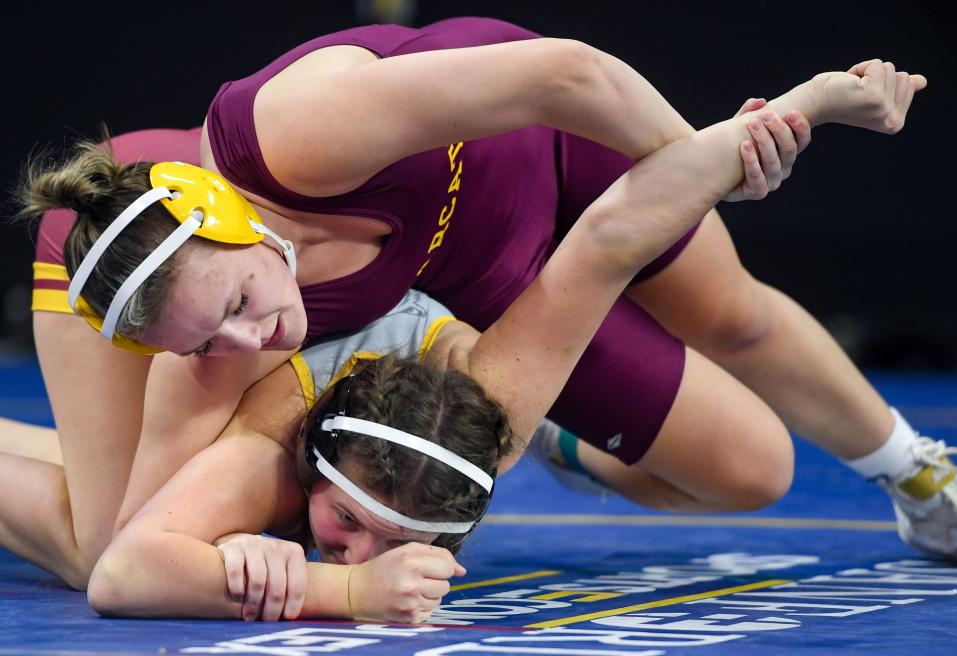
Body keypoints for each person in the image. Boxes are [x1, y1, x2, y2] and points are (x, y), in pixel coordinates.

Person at [8, 17, 943, 601]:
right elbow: (132, 563)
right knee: (111, 546)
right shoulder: (206, 338)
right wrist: (278, 574)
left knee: (733, 336)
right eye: (218, 340)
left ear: (233, 223)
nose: (257, 337)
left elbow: (565, 75)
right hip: (438, 283)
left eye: (248, 303)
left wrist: (712, 159)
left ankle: (919, 477)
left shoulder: (292, 138)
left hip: (538, 152)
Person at [87, 97, 821, 623]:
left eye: (402, 540)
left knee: (756, 469)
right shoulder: (243, 404)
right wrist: (330, 594)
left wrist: (788, 117)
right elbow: (121, 568)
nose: (364, 557)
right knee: (84, 542)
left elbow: (611, 243)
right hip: (130, 241)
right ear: (310, 458)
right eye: (345, 518)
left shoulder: (495, 404)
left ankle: (563, 443)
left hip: (253, 277)